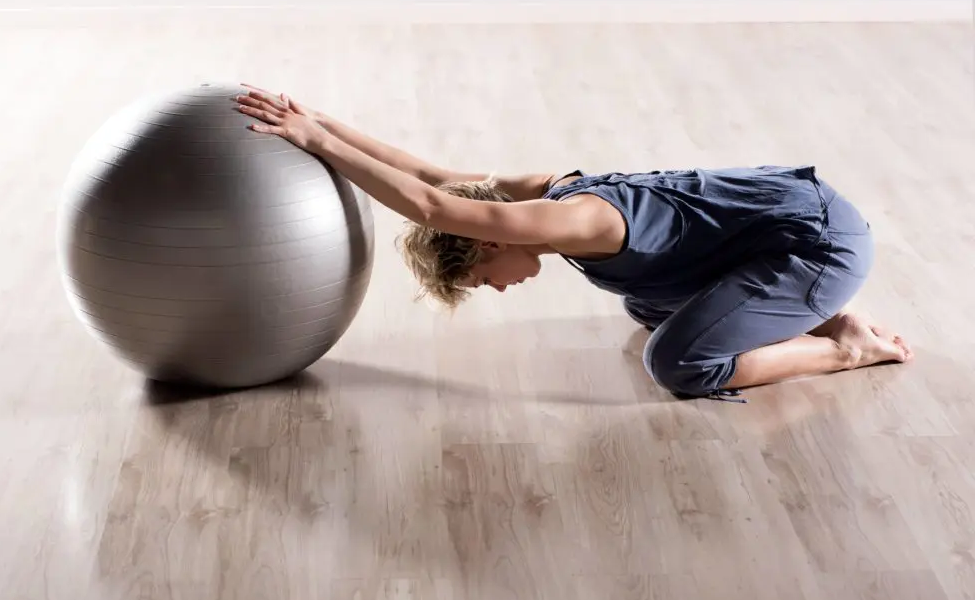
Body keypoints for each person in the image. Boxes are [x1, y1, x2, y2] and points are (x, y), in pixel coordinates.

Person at [235, 84, 913, 402]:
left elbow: (430, 201)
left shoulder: (568, 221)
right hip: (788, 219)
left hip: (819, 242)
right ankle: (819, 310)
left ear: (483, 242)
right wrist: (320, 116)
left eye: (482, 279)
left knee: (678, 363)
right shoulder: (538, 189)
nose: (498, 288)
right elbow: (434, 175)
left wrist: (314, 141)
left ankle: (841, 346)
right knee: (644, 305)